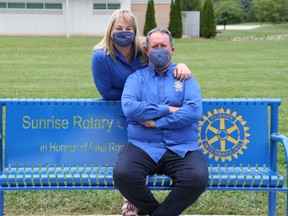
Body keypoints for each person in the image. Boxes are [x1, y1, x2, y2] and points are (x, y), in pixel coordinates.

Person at [91, 9, 192, 216]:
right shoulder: (101, 57)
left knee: (142, 151)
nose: (124, 32)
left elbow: (163, 64)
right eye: (119, 28)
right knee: (131, 161)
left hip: (148, 114)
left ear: (136, 31)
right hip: (122, 109)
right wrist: (134, 97)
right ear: (110, 30)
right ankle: (136, 202)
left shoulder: (143, 51)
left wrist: (181, 65)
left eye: (129, 28)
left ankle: (137, 205)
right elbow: (106, 92)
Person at [113, 28, 209, 216]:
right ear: (147, 50)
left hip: (182, 147)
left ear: (172, 50)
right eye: (154, 46)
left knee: (197, 178)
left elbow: (193, 111)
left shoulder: (185, 78)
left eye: (163, 46)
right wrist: (168, 109)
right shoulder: (136, 79)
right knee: (123, 175)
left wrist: (156, 123)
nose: (159, 50)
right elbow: (131, 108)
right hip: (143, 145)